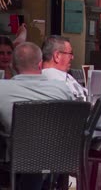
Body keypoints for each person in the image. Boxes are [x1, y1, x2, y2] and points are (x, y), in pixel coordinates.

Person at [0, 42, 73, 190]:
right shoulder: (62, 89)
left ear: (13, 65)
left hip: (17, 157)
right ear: (40, 65)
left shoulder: (2, 89)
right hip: (56, 156)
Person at [41, 35, 87, 101]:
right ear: (57, 56)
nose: (72, 57)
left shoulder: (61, 76)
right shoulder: (56, 80)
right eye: (70, 53)